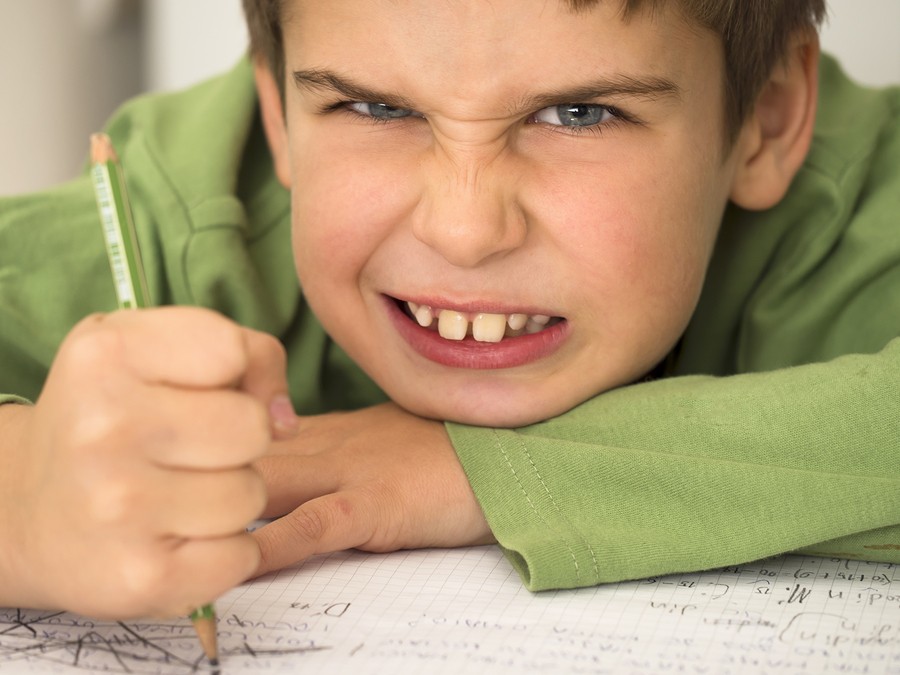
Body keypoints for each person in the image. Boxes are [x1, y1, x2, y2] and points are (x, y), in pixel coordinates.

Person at [0, 0, 898, 619]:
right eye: (375, 107)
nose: (466, 230)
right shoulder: (185, 217)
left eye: (580, 114)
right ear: (276, 113)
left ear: (769, 120)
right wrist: (24, 507)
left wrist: (484, 468)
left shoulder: (863, 216)